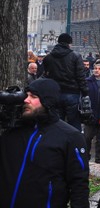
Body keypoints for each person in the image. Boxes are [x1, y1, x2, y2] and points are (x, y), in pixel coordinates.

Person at [0, 78, 89, 208]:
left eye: (33, 96)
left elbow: (79, 186)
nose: (26, 100)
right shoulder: (12, 131)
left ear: (48, 101)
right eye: (26, 95)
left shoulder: (70, 137)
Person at [42, 32, 89, 130]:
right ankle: (75, 143)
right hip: (72, 93)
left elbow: (45, 75)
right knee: (74, 122)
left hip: (55, 93)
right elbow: (80, 76)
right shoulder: (75, 56)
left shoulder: (48, 58)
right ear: (69, 43)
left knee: (57, 122)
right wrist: (85, 92)